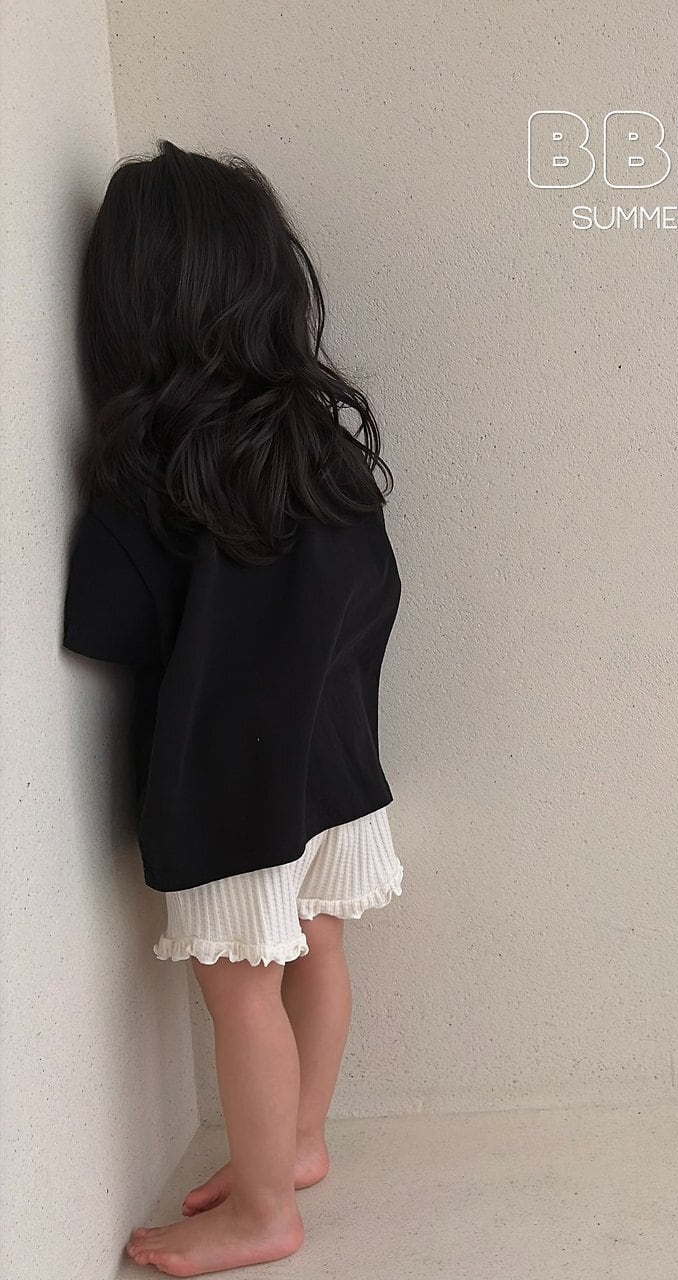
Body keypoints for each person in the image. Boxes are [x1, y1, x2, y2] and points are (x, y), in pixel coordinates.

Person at [62, 139, 404, 1276]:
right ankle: (297, 1144)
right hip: (333, 765)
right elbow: (376, 595)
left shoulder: (152, 473)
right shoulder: (324, 451)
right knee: (320, 944)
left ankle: (264, 1211)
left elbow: (107, 631)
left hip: (228, 786)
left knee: (239, 991)